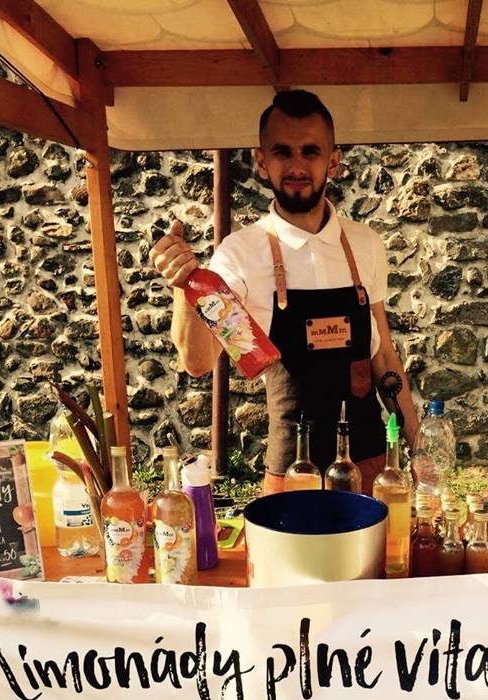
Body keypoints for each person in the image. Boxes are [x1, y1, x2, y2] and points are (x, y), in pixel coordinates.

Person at [149, 89, 418, 494]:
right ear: (261, 161)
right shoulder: (241, 253)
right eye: (282, 152)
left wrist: (420, 447)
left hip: (370, 468)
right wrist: (184, 283)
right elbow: (198, 361)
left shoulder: (366, 245)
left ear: (333, 161)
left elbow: (382, 357)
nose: (296, 166)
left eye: (310, 151)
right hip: (293, 474)